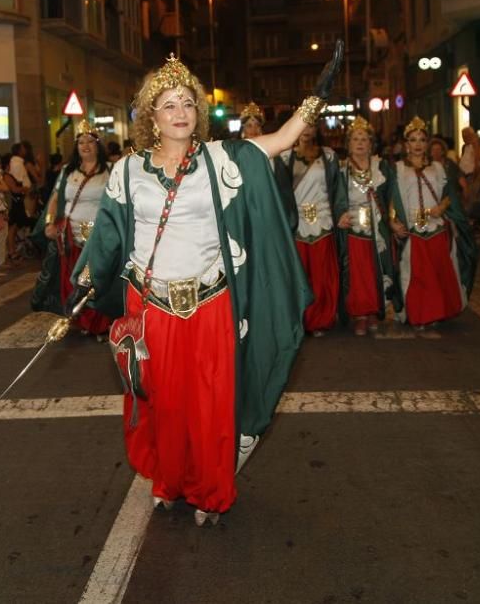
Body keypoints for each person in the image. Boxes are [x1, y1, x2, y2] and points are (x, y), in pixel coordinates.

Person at [72, 46, 341, 525]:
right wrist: (85, 283)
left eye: (188, 102)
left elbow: (279, 140)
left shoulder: (222, 159)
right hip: (153, 306)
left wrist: (315, 99)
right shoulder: (129, 170)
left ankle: (211, 491)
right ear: (152, 115)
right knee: (168, 405)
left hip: (213, 302)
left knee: (212, 404)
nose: (180, 112)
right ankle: (170, 482)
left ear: (199, 113)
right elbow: (109, 236)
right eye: (169, 104)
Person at [391, 117, 475, 328]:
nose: (418, 144)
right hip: (413, 229)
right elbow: (392, 199)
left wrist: (442, 208)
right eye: (413, 140)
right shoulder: (398, 168)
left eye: (421, 140)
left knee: (436, 274)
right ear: (406, 144)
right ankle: (419, 314)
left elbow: (450, 195)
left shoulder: (437, 168)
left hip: (435, 227)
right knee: (417, 275)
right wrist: (394, 222)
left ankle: (435, 312)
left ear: (427, 143)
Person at [33, 119, 111, 335]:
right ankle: (78, 319)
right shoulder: (68, 171)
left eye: (90, 141)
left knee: (93, 278)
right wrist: (50, 222)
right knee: (72, 279)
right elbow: (56, 197)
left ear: (98, 145)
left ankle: (97, 323)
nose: (85, 146)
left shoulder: (110, 170)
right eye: (80, 142)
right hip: (68, 236)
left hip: (97, 234)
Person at [334, 116, 401, 336]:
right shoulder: (341, 169)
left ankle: (374, 311)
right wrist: (339, 215)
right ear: (349, 143)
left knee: (376, 270)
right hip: (353, 227)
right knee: (357, 273)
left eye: (364, 139)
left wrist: (392, 219)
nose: (360, 143)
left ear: (371, 143)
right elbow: (334, 197)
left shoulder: (381, 166)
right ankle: (359, 315)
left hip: (377, 227)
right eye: (355, 139)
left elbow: (392, 195)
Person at [276, 128, 340, 336]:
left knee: (322, 276)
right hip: (296, 225)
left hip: (322, 222)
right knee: (300, 277)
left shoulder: (328, 156)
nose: (306, 131)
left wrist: (342, 213)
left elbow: (337, 189)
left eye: (311, 126)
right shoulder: (285, 157)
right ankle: (300, 321)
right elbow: (280, 193)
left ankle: (321, 319)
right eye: (302, 126)